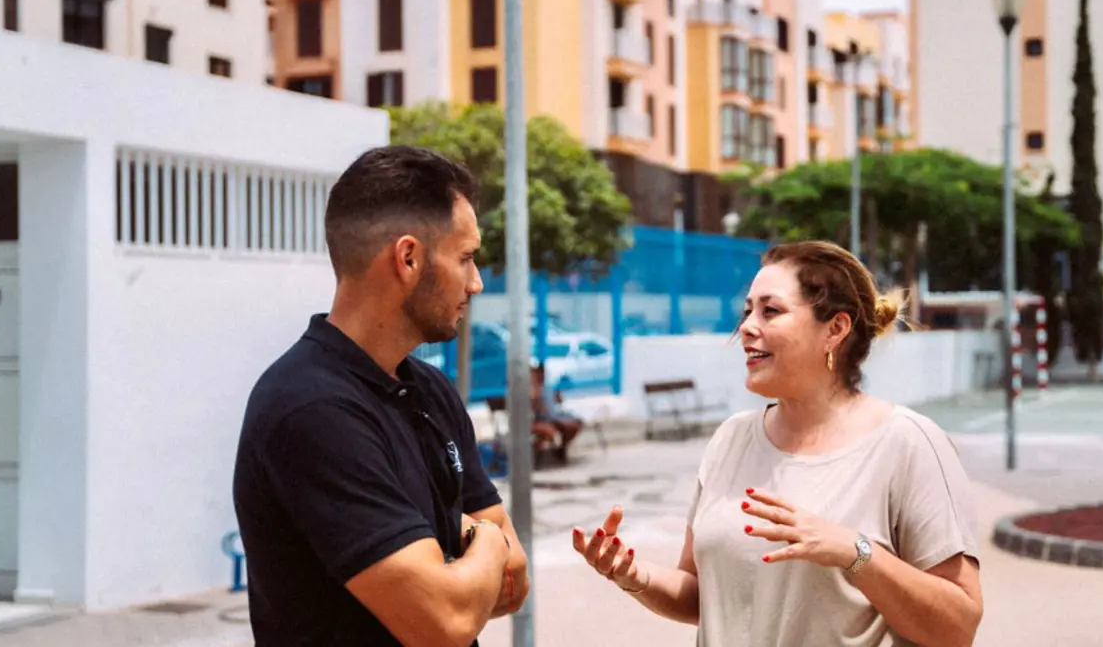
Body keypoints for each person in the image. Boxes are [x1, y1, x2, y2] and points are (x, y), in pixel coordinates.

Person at [572, 240, 983, 647]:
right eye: (748, 309)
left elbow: (956, 626)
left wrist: (856, 552)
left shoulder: (907, 443)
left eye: (771, 310)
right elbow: (703, 595)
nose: (748, 326)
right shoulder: (730, 439)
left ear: (835, 329)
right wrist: (633, 575)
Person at [232, 145, 528, 646]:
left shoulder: (429, 390)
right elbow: (447, 622)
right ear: (408, 257)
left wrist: (475, 549)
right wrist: (489, 538)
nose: (476, 282)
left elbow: (511, 583)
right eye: (465, 258)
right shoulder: (311, 409)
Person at [530, 364, 583, 462]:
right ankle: (550, 453)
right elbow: (537, 411)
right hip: (544, 420)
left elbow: (557, 402)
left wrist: (558, 393)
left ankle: (560, 450)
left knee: (574, 425)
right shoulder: (533, 391)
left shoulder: (547, 389)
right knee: (559, 428)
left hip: (551, 418)